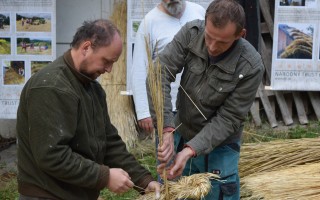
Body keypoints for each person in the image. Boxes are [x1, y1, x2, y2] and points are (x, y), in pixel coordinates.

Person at [16, 19, 160, 200]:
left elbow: (109, 143)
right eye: (106, 61)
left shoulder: (93, 89)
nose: (109, 69)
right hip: (47, 195)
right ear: (86, 48)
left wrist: (144, 181)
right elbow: (52, 156)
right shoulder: (51, 87)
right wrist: (105, 177)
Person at [150, 0, 265, 199]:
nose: (211, 47)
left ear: (240, 35)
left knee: (217, 192)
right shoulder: (192, 33)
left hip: (221, 143)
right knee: (175, 190)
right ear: (205, 24)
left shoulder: (251, 66)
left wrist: (189, 151)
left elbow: (229, 118)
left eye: (221, 42)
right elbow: (158, 74)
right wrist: (166, 129)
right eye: (209, 37)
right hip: (182, 130)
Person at [131, 0, 205, 134]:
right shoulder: (149, 22)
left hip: (198, 105)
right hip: (165, 107)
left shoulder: (199, 12)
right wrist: (143, 111)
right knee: (168, 151)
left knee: (195, 151)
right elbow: (139, 68)